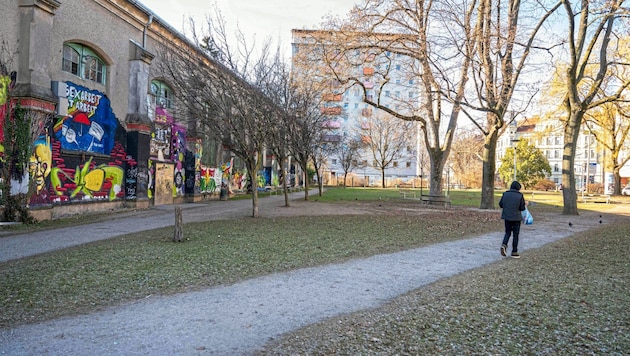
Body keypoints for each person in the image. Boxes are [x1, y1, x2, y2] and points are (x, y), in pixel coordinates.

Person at [499, 181, 526, 258]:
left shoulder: (505, 194)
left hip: (507, 216)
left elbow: (501, 204)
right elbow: (522, 208)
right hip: (516, 218)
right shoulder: (520, 195)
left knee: (507, 232)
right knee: (515, 235)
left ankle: (504, 244)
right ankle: (514, 252)